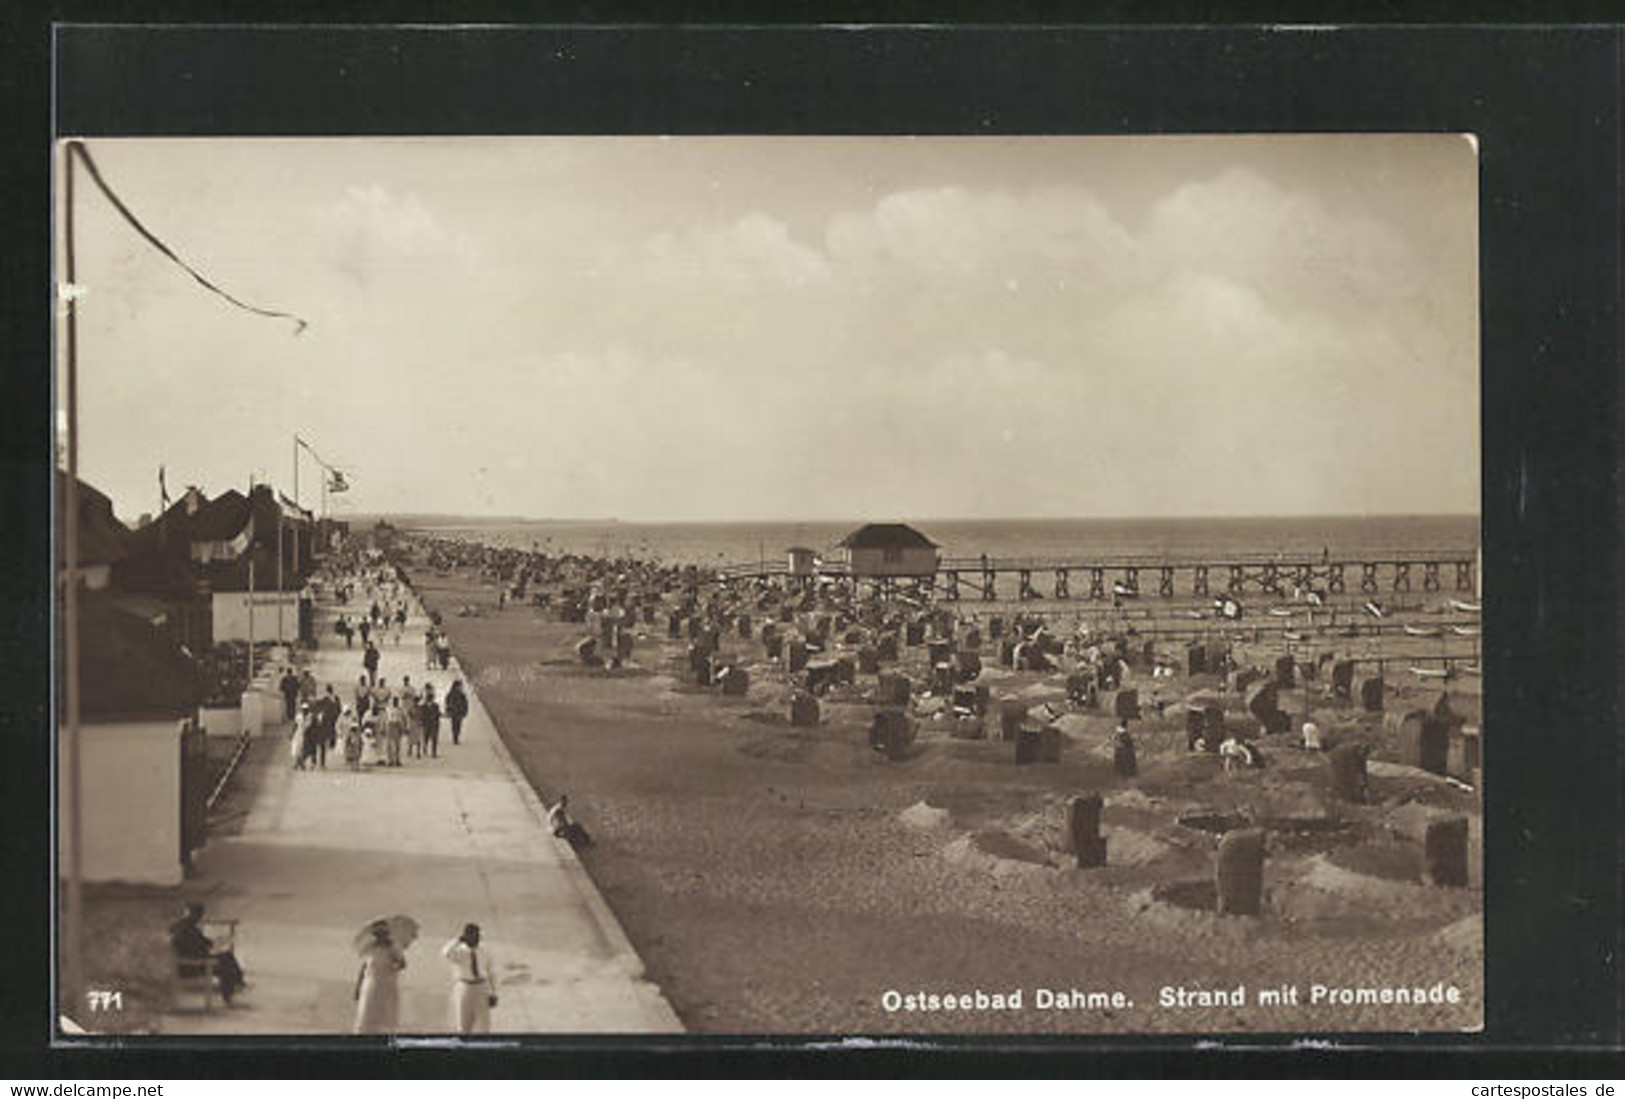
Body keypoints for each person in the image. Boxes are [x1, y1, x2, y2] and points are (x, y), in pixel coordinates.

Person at [169, 902, 246, 1004]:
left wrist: (212, 943)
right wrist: (219, 941)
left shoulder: (180, 927)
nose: (199, 918)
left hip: (187, 962)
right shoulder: (189, 929)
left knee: (227, 957)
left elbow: (202, 944)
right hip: (192, 965)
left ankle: (237, 982)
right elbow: (203, 945)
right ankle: (231, 991)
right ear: (195, 915)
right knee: (226, 962)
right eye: (199, 915)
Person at [442, 923, 497, 1034]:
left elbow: (491, 972)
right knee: (463, 1025)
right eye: (472, 936)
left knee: (484, 1026)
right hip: (465, 988)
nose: (476, 938)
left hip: (482, 988)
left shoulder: (484, 950)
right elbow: (445, 953)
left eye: (477, 935)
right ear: (466, 936)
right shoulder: (459, 952)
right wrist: (458, 940)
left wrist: (493, 993)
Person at [353, 923, 406, 1034]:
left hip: (387, 985)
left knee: (386, 1018)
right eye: (378, 934)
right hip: (371, 986)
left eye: (383, 933)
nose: (381, 937)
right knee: (367, 1017)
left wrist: (393, 963)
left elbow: (402, 964)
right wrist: (358, 987)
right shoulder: (370, 948)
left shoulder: (393, 948)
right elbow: (364, 968)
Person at [383, 697, 407, 767]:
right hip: (390, 725)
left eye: (396, 701)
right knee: (389, 744)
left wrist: (404, 727)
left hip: (398, 725)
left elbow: (404, 718)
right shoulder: (388, 709)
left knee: (397, 744)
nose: (395, 703)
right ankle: (390, 760)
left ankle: (397, 760)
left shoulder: (401, 710)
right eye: (394, 701)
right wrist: (383, 728)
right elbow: (385, 719)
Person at [444, 681, 469, 746]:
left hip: (459, 712)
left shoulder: (462, 695)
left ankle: (456, 737)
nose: (460, 687)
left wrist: (465, 711)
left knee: (458, 725)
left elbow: (465, 703)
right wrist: (448, 710)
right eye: (459, 686)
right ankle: (455, 737)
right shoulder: (451, 694)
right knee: (454, 725)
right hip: (454, 712)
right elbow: (447, 702)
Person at [421, 686, 442, 759]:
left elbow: (438, 714)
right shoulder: (425, 706)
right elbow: (422, 715)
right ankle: (426, 748)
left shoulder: (435, 706)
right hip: (428, 724)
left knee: (434, 738)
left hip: (433, 724)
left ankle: (433, 752)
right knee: (427, 737)